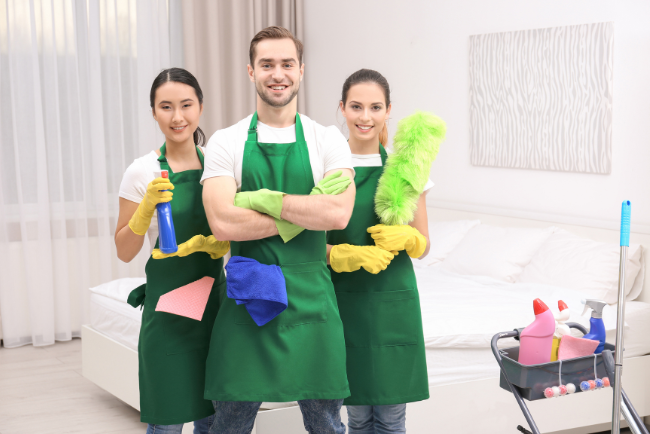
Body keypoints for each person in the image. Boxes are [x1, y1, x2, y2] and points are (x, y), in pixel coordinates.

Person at [201, 26, 355, 434]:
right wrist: (304, 212)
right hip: (247, 296)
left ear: (301, 70)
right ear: (250, 71)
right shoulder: (226, 141)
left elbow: (338, 214)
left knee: (326, 423)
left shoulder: (328, 140)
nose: (277, 73)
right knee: (229, 422)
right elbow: (221, 221)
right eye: (266, 64)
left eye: (287, 63)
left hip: (313, 303)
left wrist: (259, 200)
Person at [115, 67, 230, 434]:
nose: (177, 117)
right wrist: (144, 210)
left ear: (200, 107)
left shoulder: (218, 163)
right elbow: (123, 250)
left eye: (186, 105)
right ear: (153, 111)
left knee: (212, 418)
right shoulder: (141, 171)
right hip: (168, 311)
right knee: (166, 420)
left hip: (213, 304)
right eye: (166, 107)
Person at [327, 69, 432, 434]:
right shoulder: (326, 169)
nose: (365, 117)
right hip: (344, 302)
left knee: (390, 418)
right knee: (355, 415)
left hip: (393, 303)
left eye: (375, 107)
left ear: (389, 110)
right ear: (342, 108)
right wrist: (343, 255)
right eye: (356, 106)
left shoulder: (405, 171)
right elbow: (308, 245)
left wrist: (406, 239)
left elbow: (423, 244)